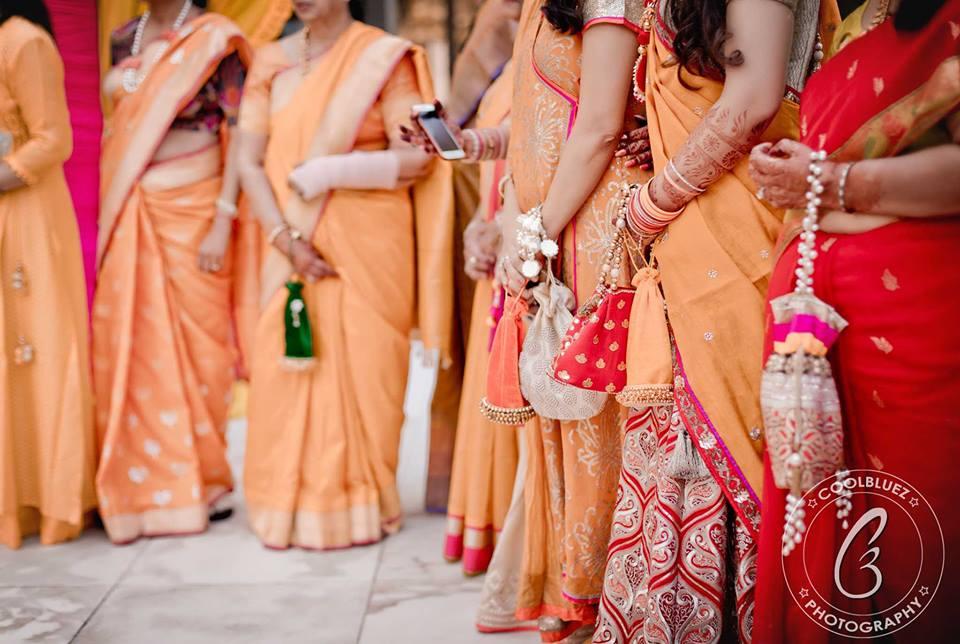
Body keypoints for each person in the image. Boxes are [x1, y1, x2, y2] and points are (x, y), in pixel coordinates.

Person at [593, 0, 840, 641]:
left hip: (741, 226)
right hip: (700, 222)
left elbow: (754, 100)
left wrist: (656, 199)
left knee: (739, 421)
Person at [750, 0, 960, 640]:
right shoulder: (860, 18)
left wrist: (833, 183)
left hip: (917, 319)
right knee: (832, 533)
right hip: (819, 321)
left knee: (921, 532)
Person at [236, 0, 453, 551]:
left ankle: (359, 505)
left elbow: (419, 159)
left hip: (367, 244)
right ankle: (286, 507)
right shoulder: (269, 61)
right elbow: (248, 161)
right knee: (284, 369)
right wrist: (284, 237)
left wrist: (329, 171)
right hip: (286, 238)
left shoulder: (385, 58)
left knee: (367, 372)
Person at [492, 0, 653, 639]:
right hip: (555, 225)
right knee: (564, 407)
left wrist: (534, 234)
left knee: (597, 410)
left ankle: (609, 604)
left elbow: (600, 124)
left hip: (595, 225)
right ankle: (576, 594)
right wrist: (519, 224)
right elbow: (534, 123)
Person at [94, 0, 253, 544]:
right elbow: (123, 127)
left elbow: (242, 130)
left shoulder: (216, 39)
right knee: (133, 347)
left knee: (202, 350)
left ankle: (205, 481)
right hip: (132, 202)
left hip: (199, 204)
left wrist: (223, 218)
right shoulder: (123, 37)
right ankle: (144, 492)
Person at [0, 0, 96, 550]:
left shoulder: (23, 42)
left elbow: (53, 138)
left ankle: (47, 502)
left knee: (32, 346)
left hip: (26, 214)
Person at [426, 0, 521, 518]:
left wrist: (506, 222)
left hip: (533, 230)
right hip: (494, 226)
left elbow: (564, 138)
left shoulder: (574, 32)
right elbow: (465, 137)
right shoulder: (502, 35)